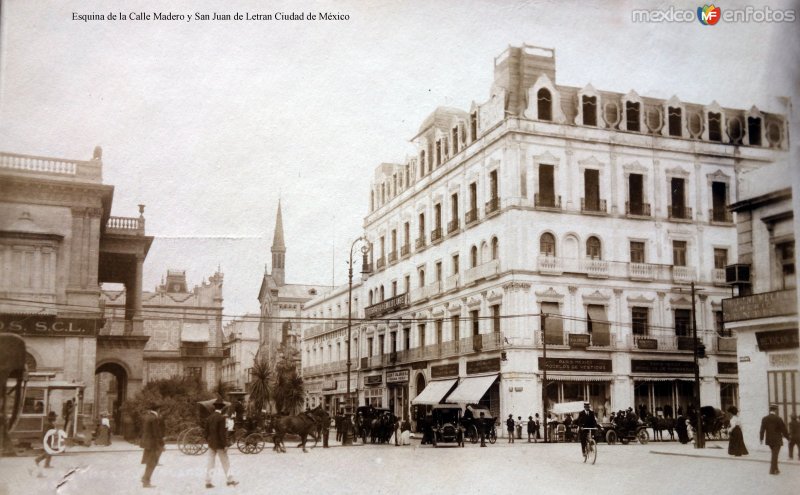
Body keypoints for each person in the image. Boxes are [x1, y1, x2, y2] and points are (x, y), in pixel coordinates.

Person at [205, 400, 238, 488]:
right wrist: (225, 445)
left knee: (210, 463)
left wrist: (209, 441)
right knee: (225, 462)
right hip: (220, 445)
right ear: (222, 408)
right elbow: (222, 434)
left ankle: (208, 482)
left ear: (215, 407)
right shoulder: (222, 418)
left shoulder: (209, 418)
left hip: (211, 444)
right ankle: (230, 480)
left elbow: (206, 433)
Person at [140, 402, 164, 489]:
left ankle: (144, 478)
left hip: (147, 442)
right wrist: (161, 443)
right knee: (152, 463)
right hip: (152, 443)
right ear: (158, 409)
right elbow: (156, 433)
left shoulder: (147, 416)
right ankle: (146, 481)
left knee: (150, 462)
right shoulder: (154, 418)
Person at [760, 404, 789, 475]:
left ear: (770, 410)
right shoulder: (778, 418)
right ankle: (772, 470)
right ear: (775, 410)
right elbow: (784, 429)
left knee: (774, 454)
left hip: (769, 440)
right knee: (775, 455)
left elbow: (762, 429)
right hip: (777, 440)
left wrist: (761, 438)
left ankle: (776, 469)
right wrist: (788, 438)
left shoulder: (765, 418)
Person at [34, 411, 57, 476]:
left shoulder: (48, 423)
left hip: (48, 439)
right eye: (54, 417)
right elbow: (47, 432)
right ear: (51, 417)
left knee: (49, 452)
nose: (55, 418)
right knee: (49, 452)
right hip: (47, 439)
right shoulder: (49, 424)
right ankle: (42, 462)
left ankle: (40, 461)